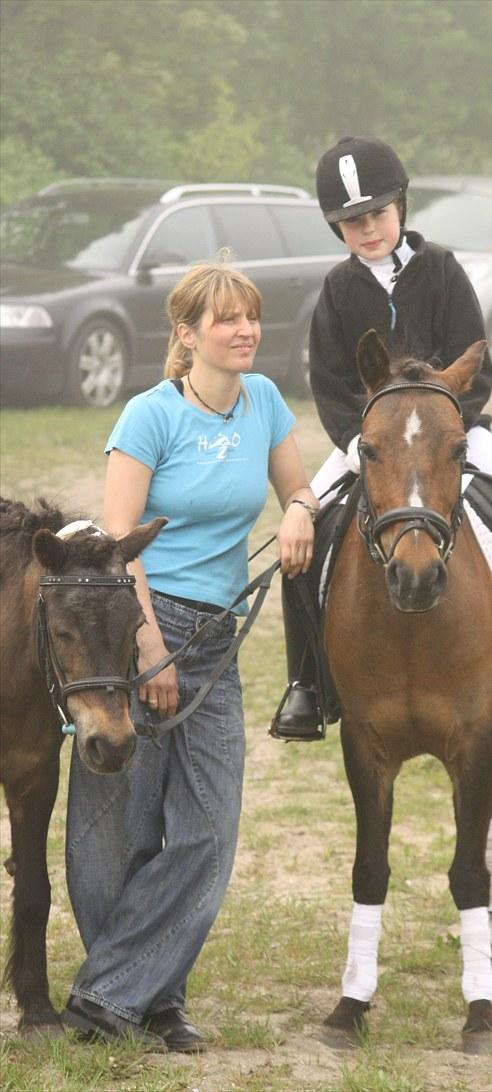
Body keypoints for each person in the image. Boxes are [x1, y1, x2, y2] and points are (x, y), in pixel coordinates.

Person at [61, 262, 318, 1051]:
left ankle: (112, 994)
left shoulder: (265, 403)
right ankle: (153, 1003)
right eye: (226, 320)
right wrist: (150, 646)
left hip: (218, 634)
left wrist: (302, 510)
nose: (245, 331)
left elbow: (298, 488)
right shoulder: (149, 416)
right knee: (117, 832)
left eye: (251, 318)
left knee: (208, 831)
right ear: (186, 333)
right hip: (138, 630)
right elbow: (116, 545)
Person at [272, 135, 492, 739]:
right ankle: (306, 683)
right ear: (337, 228)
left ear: (400, 205)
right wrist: (358, 438)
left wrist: (452, 427)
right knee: (308, 530)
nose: (367, 229)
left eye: (375, 214)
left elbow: (477, 362)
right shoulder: (337, 291)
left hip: (456, 433)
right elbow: (330, 382)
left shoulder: (444, 270)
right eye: (351, 222)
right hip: (371, 443)